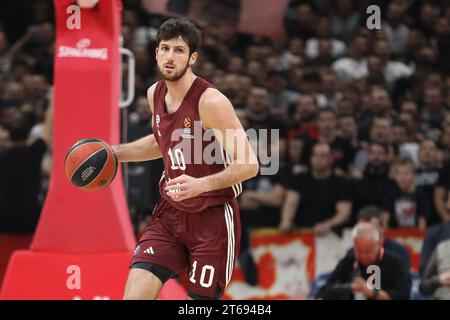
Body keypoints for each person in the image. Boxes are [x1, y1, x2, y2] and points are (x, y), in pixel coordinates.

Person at [111, 18, 259, 300]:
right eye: (164, 48)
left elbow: (250, 164)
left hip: (212, 218)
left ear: (192, 58)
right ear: (156, 53)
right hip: (171, 214)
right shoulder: (154, 93)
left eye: (178, 50)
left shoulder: (210, 101)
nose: (169, 57)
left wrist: (202, 185)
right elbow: (160, 142)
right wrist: (115, 153)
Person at [316, 222, 411, 300]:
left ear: (378, 244)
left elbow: (403, 294)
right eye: (359, 252)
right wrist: (350, 287)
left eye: (368, 251)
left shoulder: (395, 262)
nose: (364, 256)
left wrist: (374, 292)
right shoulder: (348, 261)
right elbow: (324, 290)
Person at [279, 142, 352, 235]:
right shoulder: (300, 178)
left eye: (323, 156)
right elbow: (291, 202)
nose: (318, 159)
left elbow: (344, 213)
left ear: (331, 159)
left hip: (330, 234)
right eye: (315, 155)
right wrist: (286, 220)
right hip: (302, 231)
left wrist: (328, 224)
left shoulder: (341, 182)